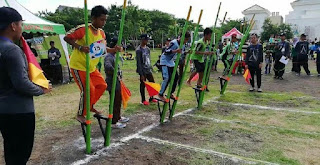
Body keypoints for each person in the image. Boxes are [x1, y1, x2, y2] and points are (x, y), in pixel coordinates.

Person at [0, 7, 51, 165]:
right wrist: (41, 90)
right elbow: (21, 83)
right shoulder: (12, 50)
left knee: (11, 150)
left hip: (3, 110)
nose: (22, 28)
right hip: (19, 111)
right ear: (13, 26)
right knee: (20, 155)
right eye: (21, 24)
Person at [64, 6, 120, 123]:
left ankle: (89, 106)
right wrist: (80, 47)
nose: (104, 22)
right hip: (79, 66)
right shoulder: (83, 29)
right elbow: (67, 37)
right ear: (94, 18)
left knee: (102, 86)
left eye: (105, 20)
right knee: (88, 89)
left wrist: (114, 49)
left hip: (91, 68)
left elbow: (103, 50)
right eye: (101, 20)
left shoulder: (102, 33)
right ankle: (80, 114)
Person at [104, 37, 129, 129]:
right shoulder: (109, 56)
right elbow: (108, 67)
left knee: (118, 100)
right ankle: (113, 121)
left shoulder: (114, 56)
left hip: (117, 82)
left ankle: (118, 117)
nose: (121, 48)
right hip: (112, 82)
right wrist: (115, 73)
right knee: (114, 101)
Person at [158, 32, 191, 101]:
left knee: (175, 77)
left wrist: (187, 52)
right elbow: (166, 51)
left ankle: (171, 93)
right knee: (167, 78)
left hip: (171, 62)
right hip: (164, 61)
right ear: (180, 37)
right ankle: (160, 94)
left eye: (187, 40)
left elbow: (181, 52)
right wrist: (175, 50)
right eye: (185, 39)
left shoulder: (183, 45)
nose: (186, 41)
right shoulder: (174, 43)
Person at [136, 34, 156, 105]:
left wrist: (151, 68)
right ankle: (143, 99)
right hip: (143, 70)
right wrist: (141, 74)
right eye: (146, 39)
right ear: (142, 40)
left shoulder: (147, 49)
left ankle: (152, 97)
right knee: (143, 84)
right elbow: (138, 62)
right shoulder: (138, 50)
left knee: (152, 82)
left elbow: (149, 59)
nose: (147, 41)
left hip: (148, 68)